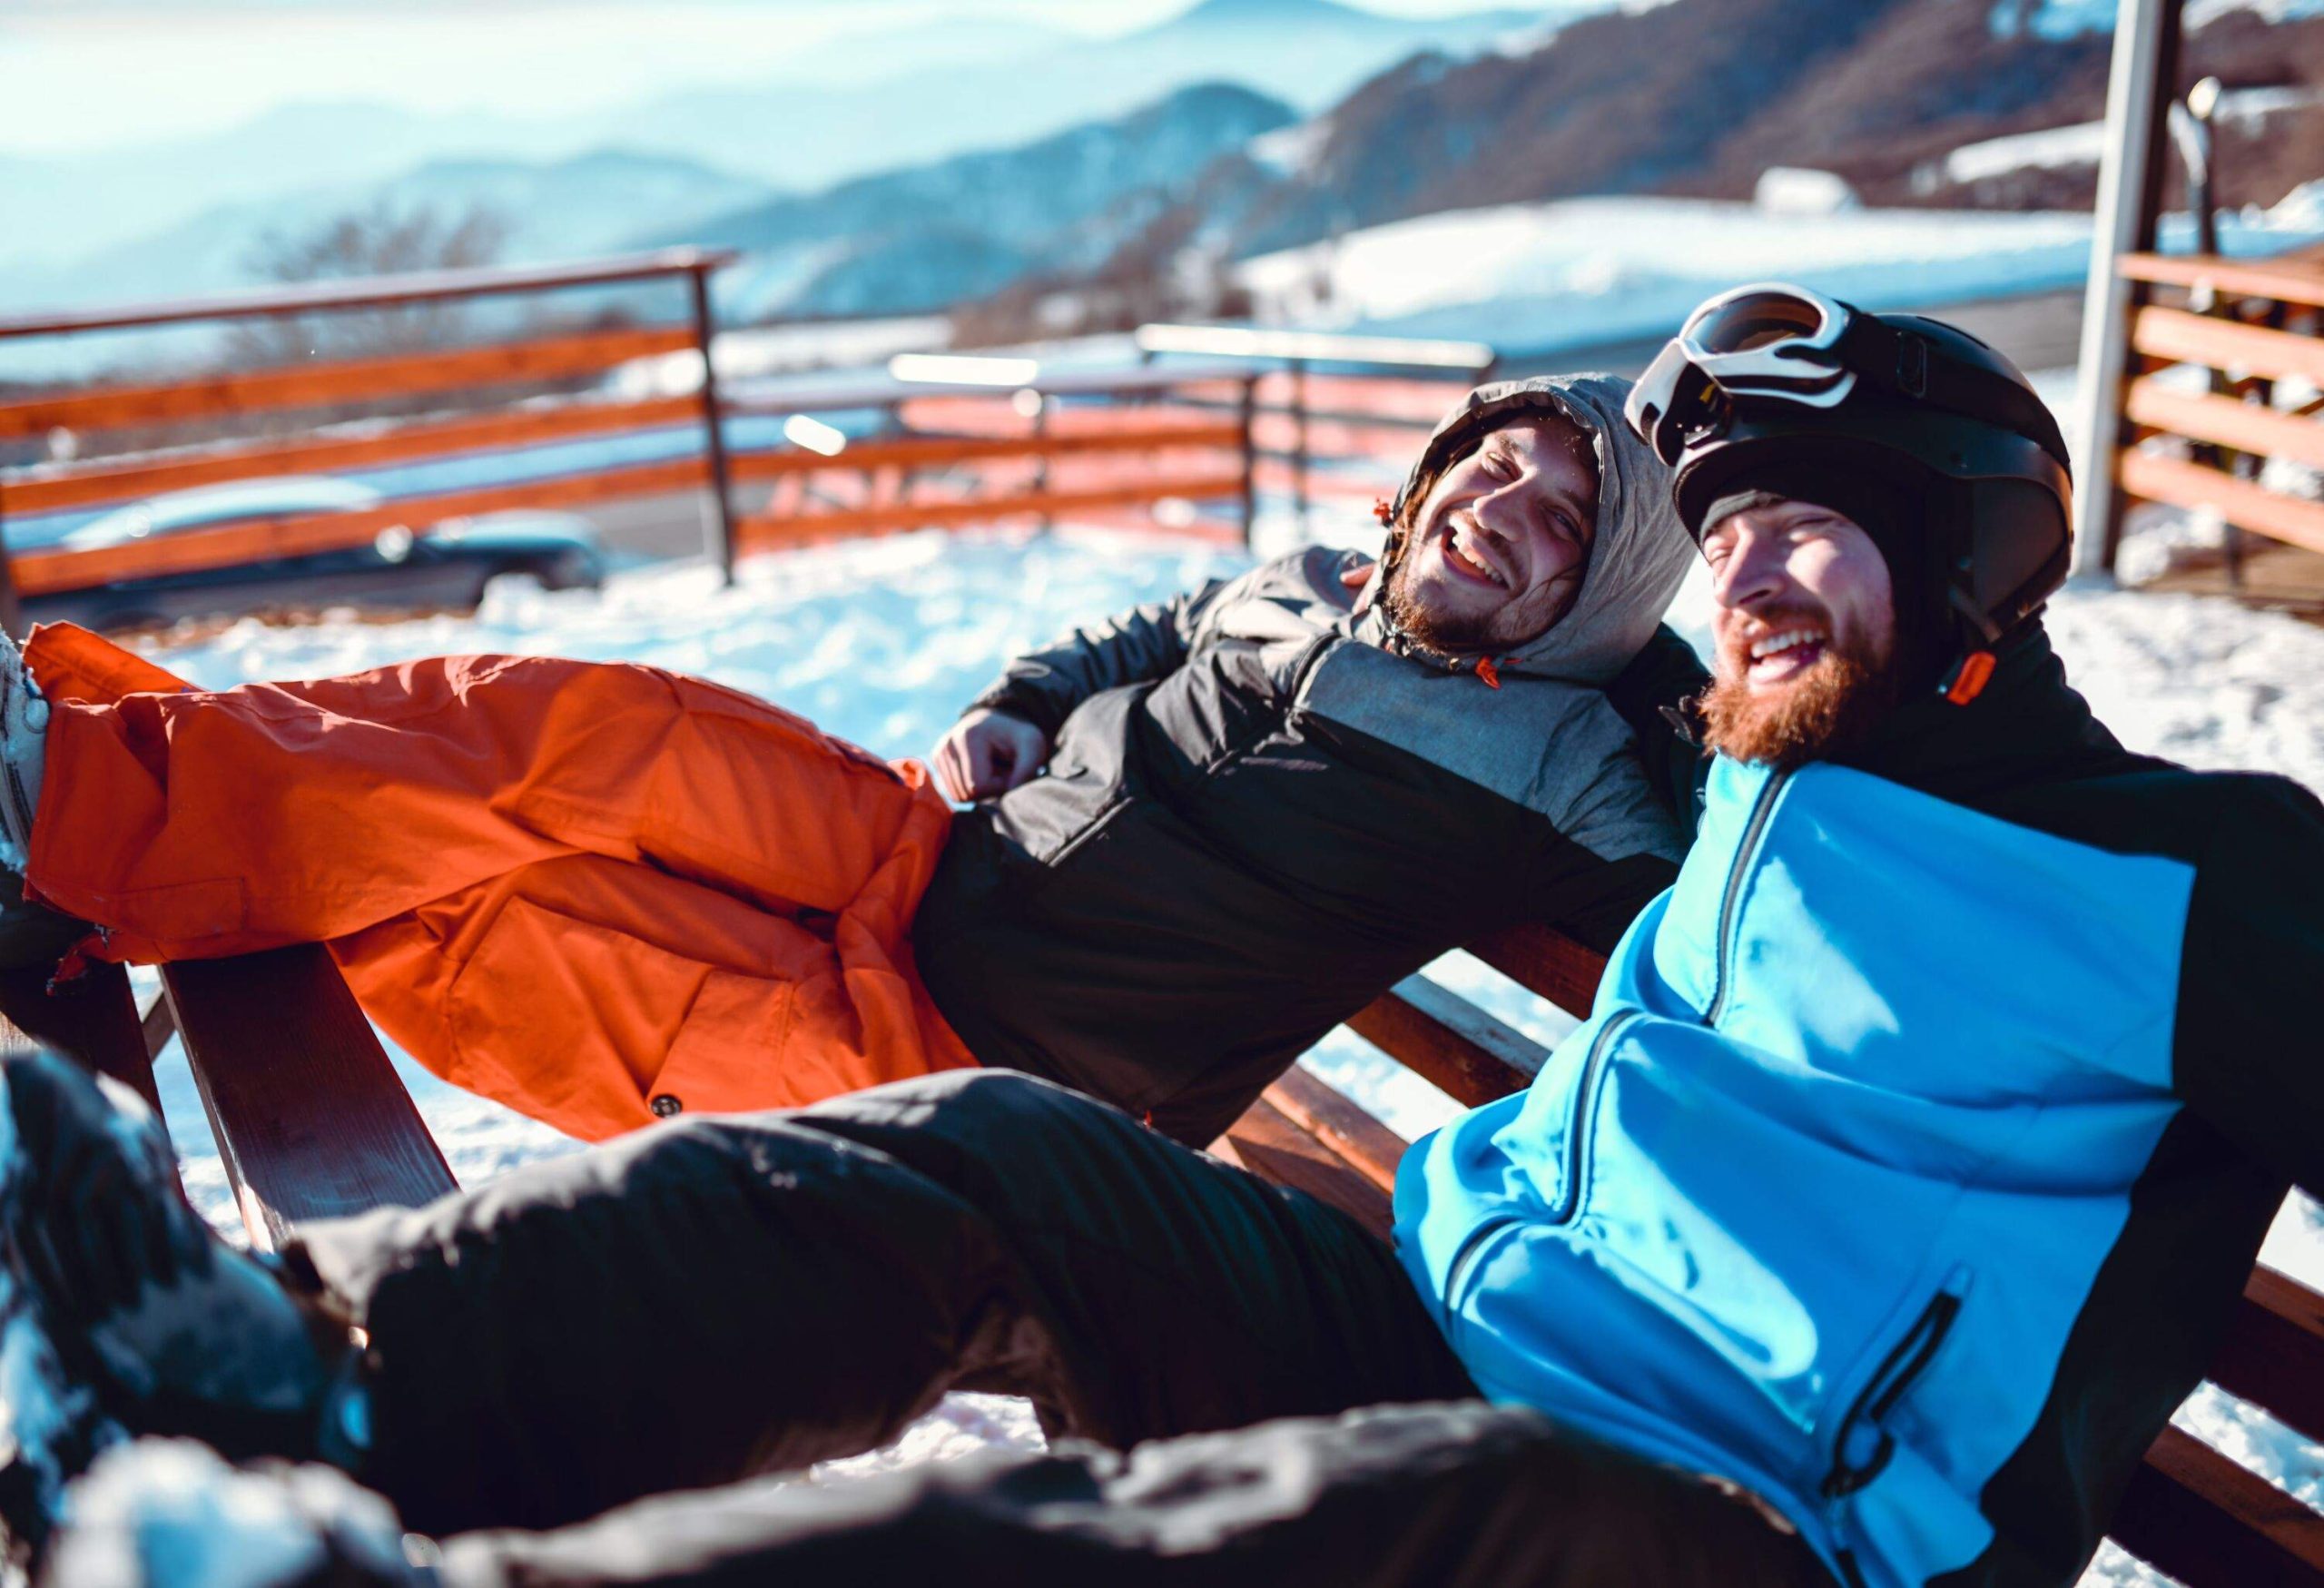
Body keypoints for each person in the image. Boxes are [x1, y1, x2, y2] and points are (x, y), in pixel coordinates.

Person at [14, 284, 2319, 1588]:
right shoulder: (1730, 758)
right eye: (1724, 548)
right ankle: (292, 1374)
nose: (1747, 582)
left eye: (1807, 537)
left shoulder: (2198, 875)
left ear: (1980, 580)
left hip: (1740, 1523)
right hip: (1425, 1299)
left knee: (1323, 1523)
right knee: (993, 1156)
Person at [0, 374, 1694, 1148]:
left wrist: (1735, 660)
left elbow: (1735, 860)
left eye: (1559, 527)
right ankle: (67, 780)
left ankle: (67, 858)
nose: (1500, 516)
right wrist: (1028, 693)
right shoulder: (1315, 576)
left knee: (481, 916)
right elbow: (1149, 627)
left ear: (1592, 609)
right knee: (557, 716)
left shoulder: (1568, 763)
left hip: (965, 1056)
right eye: (1496, 470)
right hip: (912, 840)